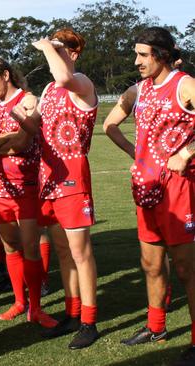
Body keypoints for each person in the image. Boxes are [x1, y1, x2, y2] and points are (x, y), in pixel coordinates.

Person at [103, 27, 195, 365]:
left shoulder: (184, 84)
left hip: (179, 190)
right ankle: (156, 327)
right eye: (136, 54)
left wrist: (186, 154)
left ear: (162, 54)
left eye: (143, 54)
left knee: (186, 268)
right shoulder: (137, 90)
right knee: (151, 264)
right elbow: (109, 126)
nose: (137, 61)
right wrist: (138, 156)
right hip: (145, 188)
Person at [15, 28, 100, 349]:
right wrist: (18, 115)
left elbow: (64, 77)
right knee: (63, 252)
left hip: (73, 179)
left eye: (62, 48)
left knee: (80, 253)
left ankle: (89, 321)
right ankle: (73, 312)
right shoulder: (50, 88)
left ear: (74, 53)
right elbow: (35, 125)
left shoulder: (81, 83)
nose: (54, 52)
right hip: (48, 179)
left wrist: (48, 47)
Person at [0, 56, 57, 328]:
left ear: (5, 75)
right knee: (10, 248)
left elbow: (22, 142)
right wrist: (1, 142)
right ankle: (19, 302)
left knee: (31, 247)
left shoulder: (27, 101)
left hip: (27, 186)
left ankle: (35, 307)